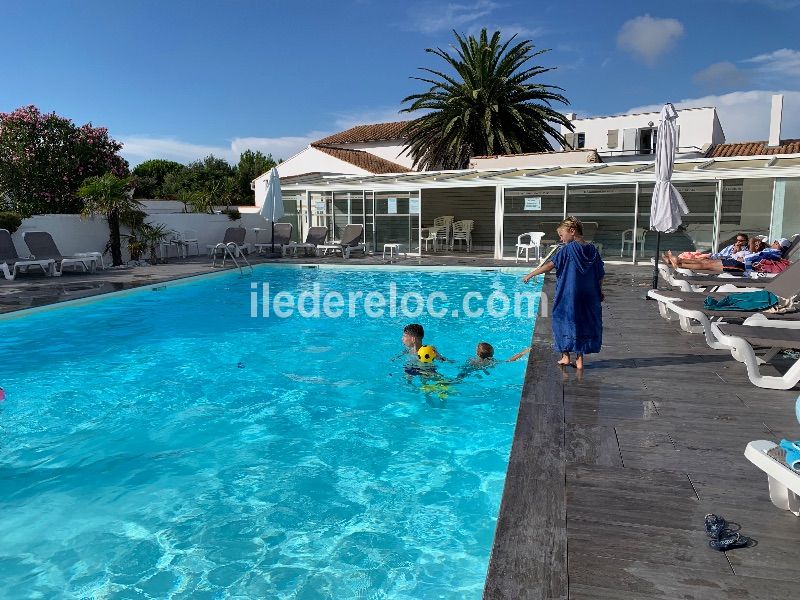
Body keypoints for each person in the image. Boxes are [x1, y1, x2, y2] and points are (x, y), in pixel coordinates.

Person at [521, 216, 604, 369]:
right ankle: (579, 360)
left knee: (562, 320)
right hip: (589, 295)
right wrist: (600, 291)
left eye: (561, 234)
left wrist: (531, 274)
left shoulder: (567, 250)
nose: (560, 238)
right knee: (582, 323)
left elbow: (550, 266)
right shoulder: (592, 250)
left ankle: (565, 357)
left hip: (569, 294)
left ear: (572, 231)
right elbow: (600, 273)